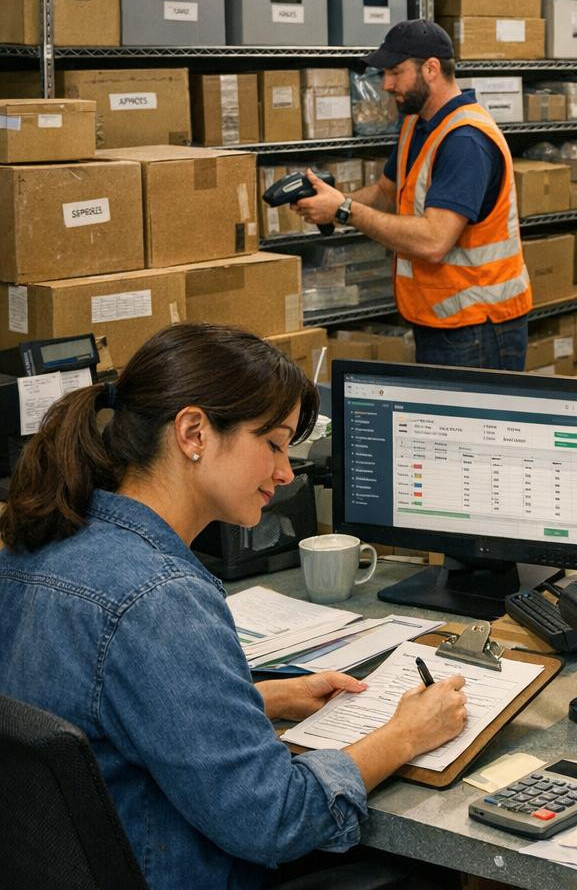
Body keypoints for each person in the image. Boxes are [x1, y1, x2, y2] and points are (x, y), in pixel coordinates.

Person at [0, 323, 469, 888]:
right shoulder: (161, 599)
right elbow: (274, 818)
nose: (286, 472)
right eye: (271, 443)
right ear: (193, 432)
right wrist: (405, 735)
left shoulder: (38, 541)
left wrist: (259, 698)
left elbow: (91, 713)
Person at [295, 19, 532, 371]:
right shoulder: (417, 123)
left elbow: (435, 241)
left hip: (478, 328)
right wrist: (333, 201)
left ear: (432, 68)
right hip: (438, 320)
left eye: (395, 72)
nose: (387, 85)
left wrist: (345, 211)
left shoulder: (465, 140)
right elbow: (386, 193)